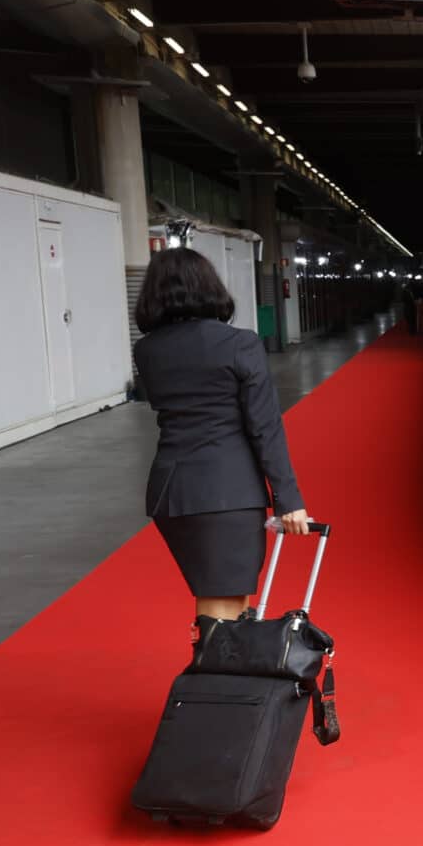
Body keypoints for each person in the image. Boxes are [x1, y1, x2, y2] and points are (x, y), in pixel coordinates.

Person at [132, 247, 313, 630]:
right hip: (228, 493)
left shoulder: (146, 350)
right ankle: (214, 683)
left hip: (170, 491)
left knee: (223, 600)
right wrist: (289, 499)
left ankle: (223, 680)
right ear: (207, 286)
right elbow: (264, 426)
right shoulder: (239, 344)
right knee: (224, 608)